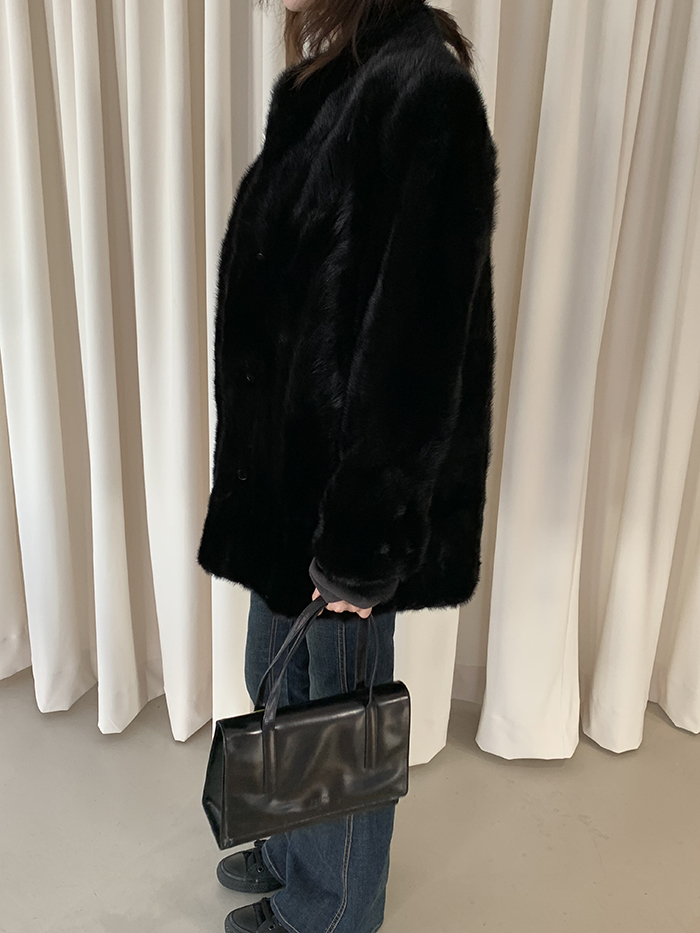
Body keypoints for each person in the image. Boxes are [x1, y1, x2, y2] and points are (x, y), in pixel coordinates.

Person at [196, 1, 499, 931]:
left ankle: (330, 911)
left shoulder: (425, 92)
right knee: (279, 678)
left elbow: (418, 344)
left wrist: (365, 543)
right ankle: (294, 851)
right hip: (290, 486)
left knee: (339, 711)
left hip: (348, 498)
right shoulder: (337, 80)